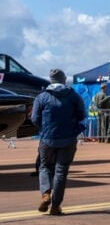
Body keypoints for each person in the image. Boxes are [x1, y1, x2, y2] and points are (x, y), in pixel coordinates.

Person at [31, 69, 87, 215]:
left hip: (47, 138)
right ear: (63, 79)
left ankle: (45, 194)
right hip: (68, 138)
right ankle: (55, 206)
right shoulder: (74, 96)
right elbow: (82, 115)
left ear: (51, 80)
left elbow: (35, 118)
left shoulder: (42, 97)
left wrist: (44, 129)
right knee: (61, 171)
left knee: (44, 167)